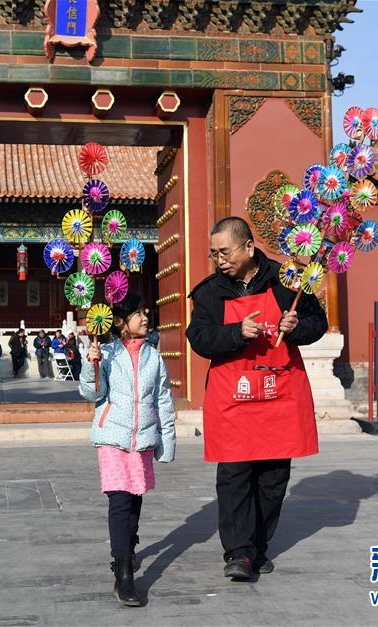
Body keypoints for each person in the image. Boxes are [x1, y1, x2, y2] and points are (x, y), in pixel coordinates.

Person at [186, 217, 324, 580]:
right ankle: (238, 553)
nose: (220, 260)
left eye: (225, 251)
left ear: (249, 247)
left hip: (278, 393)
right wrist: (236, 332)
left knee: (273, 478)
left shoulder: (287, 280)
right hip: (234, 397)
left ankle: (259, 547)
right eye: (214, 253)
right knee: (233, 475)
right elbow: (199, 338)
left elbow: (317, 322)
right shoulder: (209, 293)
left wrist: (297, 329)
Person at [82, 293, 176, 607]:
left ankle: (129, 546)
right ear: (120, 321)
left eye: (146, 311)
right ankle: (124, 573)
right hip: (112, 436)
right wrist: (91, 364)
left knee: (135, 499)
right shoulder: (105, 353)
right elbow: (92, 393)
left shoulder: (154, 356)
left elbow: (163, 399)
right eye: (138, 313)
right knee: (119, 500)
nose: (146, 317)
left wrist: (167, 441)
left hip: (143, 437)